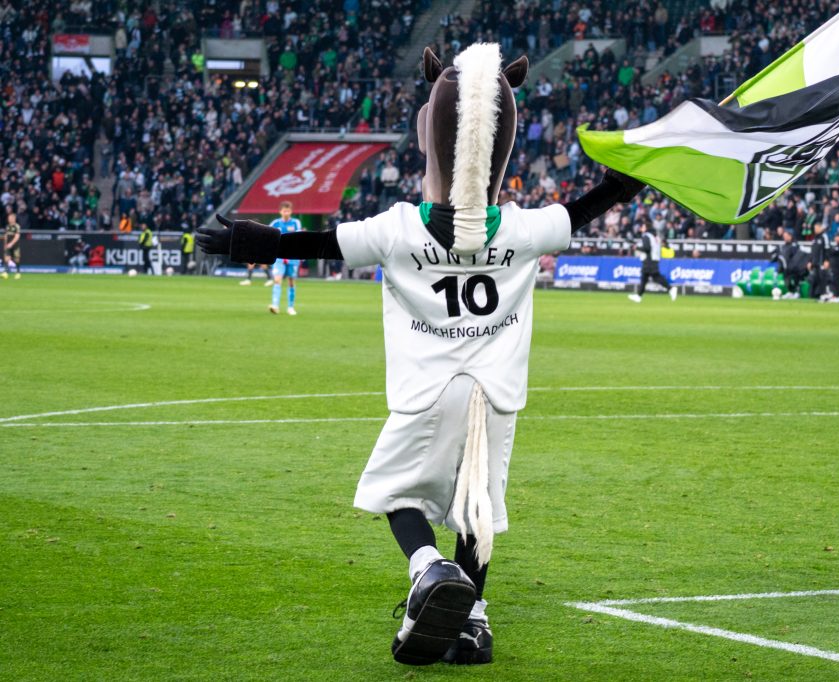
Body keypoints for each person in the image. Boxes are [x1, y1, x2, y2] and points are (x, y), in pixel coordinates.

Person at [198, 44, 645, 668]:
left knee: (394, 492)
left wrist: (256, 242)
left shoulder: (400, 228)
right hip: (495, 394)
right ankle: (473, 624)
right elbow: (580, 212)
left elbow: (321, 244)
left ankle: (428, 567)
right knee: (477, 506)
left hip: (429, 389)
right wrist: (626, 181)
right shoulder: (522, 229)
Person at [628, 222, 677, 303]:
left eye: (643, 226)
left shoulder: (646, 235)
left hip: (649, 259)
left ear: (646, 228)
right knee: (644, 277)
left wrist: (636, 248)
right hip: (654, 258)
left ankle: (671, 288)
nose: (641, 228)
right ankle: (639, 295)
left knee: (655, 276)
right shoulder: (654, 236)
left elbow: (647, 248)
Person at [268, 201, 303, 315]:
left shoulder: (296, 223)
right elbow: (267, 234)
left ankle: (290, 307)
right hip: (278, 257)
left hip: (292, 256)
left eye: (288, 211)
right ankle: (275, 305)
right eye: (284, 211)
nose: (286, 213)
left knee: (291, 281)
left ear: (291, 211)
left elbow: (298, 237)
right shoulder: (275, 223)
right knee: (277, 279)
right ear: (280, 212)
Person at [771, 230, 808, 299]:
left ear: (790, 236)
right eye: (784, 236)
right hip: (788, 268)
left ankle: (797, 292)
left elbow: (797, 257)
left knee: (795, 276)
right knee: (786, 275)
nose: (784, 238)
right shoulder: (783, 246)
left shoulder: (795, 245)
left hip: (797, 268)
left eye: (786, 236)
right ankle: (790, 292)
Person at [3, 213, 21, 280]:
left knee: (17, 259)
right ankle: (5, 272)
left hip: (15, 246)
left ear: (14, 219)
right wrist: (5, 244)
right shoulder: (7, 226)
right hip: (8, 245)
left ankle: (18, 272)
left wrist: (11, 243)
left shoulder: (17, 226)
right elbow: (6, 235)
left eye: (10, 218)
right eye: (8, 218)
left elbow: (17, 236)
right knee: (6, 258)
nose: (9, 219)